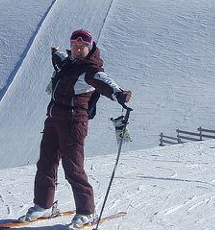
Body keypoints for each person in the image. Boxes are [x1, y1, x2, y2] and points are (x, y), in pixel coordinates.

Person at [20, 29, 132, 228]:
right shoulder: (69, 62)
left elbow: (105, 83)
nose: (78, 50)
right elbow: (61, 57)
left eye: (82, 47)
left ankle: (87, 211)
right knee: (46, 163)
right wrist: (55, 51)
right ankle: (44, 205)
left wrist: (119, 94)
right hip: (53, 119)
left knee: (73, 168)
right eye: (75, 46)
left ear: (90, 48)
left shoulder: (91, 70)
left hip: (74, 123)